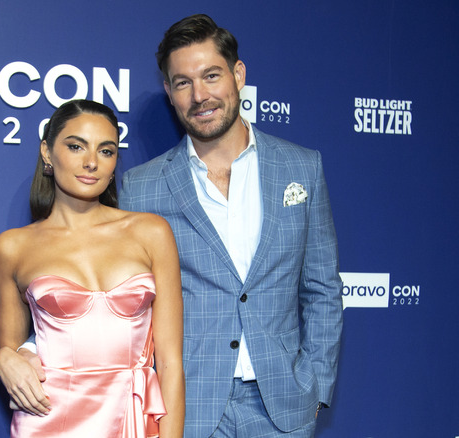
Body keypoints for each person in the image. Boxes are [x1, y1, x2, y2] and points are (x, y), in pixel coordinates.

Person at [119, 14, 343, 437]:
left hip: (284, 405)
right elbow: (120, 302)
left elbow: (322, 289)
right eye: (182, 82)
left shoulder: (301, 167)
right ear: (169, 92)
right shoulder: (140, 188)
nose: (199, 95)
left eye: (211, 75)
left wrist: (315, 383)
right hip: (188, 406)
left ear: (238, 75)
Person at [0, 99, 185, 437]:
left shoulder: (151, 232)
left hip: (131, 421)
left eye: (106, 151)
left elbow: (169, 364)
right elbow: (14, 357)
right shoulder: (12, 246)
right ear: (47, 153)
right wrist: (2, 359)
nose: (92, 162)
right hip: (48, 421)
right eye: (76, 146)